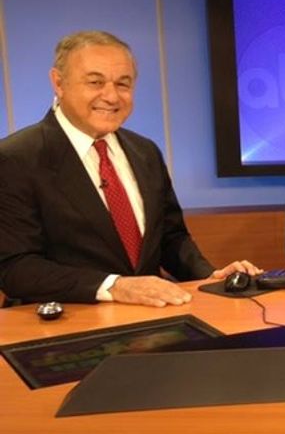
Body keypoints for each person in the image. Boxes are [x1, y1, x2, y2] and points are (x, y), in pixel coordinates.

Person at [0, 30, 260, 307]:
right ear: (58, 83)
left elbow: (171, 238)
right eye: (95, 82)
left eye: (123, 84)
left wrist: (209, 276)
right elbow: (15, 267)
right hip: (65, 322)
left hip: (150, 319)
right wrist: (113, 286)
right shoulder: (16, 158)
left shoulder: (145, 152)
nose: (112, 96)